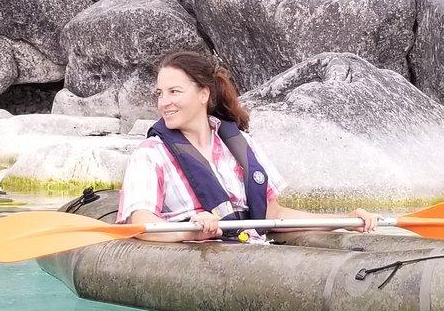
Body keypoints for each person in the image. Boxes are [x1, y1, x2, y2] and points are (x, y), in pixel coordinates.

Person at [117, 50, 377, 242]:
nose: (164, 103)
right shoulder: (151, 154)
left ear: (203, 94)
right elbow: (141, 222)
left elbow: (273, 214)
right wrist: (194, 229)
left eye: (174, 92)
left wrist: (345, 220)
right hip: (198, 258)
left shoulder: (240, 144)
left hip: (248, 250)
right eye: (160, 93)